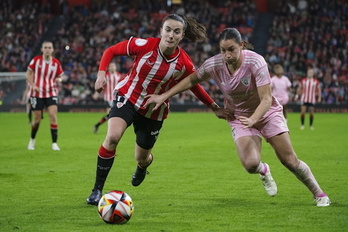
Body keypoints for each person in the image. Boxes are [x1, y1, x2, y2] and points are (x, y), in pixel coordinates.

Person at [145, 28, 330, 207]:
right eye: (223, 50)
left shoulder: (256, 62)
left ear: (241, 45)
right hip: (239, 116)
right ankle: (264, 170)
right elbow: (192, 80)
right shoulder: (214, 64)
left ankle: (319, 194)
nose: (227, 55)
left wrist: (254, 119)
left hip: (267, 113)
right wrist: (164, 96)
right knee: (250, 165)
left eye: (231, 49)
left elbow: (266, 99)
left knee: (289, 160)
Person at [86, 14, 227, 205]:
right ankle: (96, 190)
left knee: (142, 157)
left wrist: (214, 107)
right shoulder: (144, 45)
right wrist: (101, 75)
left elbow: (194, 85)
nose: (170, 35)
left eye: (176, 31)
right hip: (128, 97)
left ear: (182, 35)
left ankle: (143, 166)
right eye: (167, 29)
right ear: (161, 31)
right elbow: (110, 51)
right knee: (112, 138)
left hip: (154, 110)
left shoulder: (183, 63)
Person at [26, 41, 64, 151]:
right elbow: (28, 74)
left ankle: (54, 143)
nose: (47, 49)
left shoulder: (56, 63)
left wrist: (59, 79)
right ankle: (32, 139)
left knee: (52, 115)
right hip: (36, 93)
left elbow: (61, 76)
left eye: (49, 47)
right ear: (42, 49)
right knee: (37, 120)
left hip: (51, 92)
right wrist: (33, 85)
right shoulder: (36, 61)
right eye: (45, 47)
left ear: (52, 50)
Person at [93, 62, 123, 133]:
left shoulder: (119, 76)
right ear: (109, 68)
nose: (112, 67)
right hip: (108, 98)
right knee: (111, 114)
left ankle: (97, 125)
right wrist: (96, 93)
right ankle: (111, 131)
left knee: (111, 115)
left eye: (113, 66)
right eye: (111, 66)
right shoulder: (106, 76)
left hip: (117, 98)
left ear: (116, 67)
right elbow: (100, 85)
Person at [295, 66, 321, 130]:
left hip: (312, 99)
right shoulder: (303, 81)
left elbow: (319, 89)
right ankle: (302, 125)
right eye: (309, 72)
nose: (310, 73)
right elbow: (299, 88)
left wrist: (319, 97)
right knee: (303, 111)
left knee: (311, 112)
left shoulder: (316, 81)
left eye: (311, 72)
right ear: (307, 73)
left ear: (313, 74)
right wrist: (297, 95)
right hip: (304, 98)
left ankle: (311, 125)